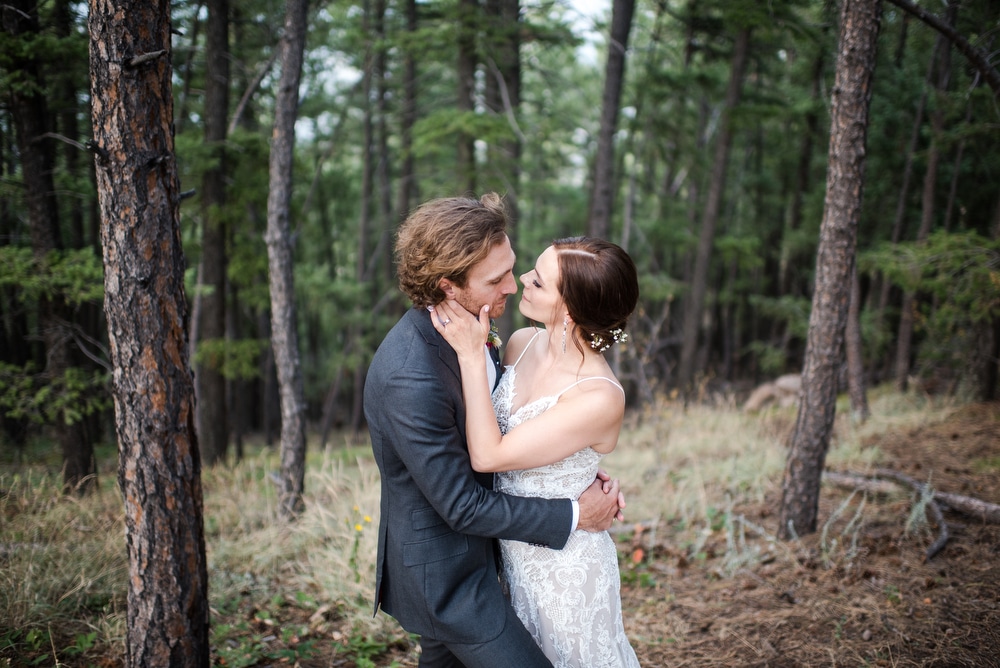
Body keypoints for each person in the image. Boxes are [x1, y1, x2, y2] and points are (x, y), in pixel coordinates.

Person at [364, 193, 625, 668]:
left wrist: (576, 467)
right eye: (496, 279)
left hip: (507, 554)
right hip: (451, 576)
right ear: (448, 285)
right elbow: (463, 503)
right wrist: (574, 512)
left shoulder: (480, 328)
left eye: (517, 269)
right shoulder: (410, 374)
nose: (513, 284)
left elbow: (526, 422)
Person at [429, 236, 641, 668]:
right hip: (507, 552)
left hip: (564, 571)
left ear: (571, 310)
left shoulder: (599, 395)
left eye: (539, 282)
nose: (522, 279)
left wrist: (471, 356)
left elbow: (489, 455)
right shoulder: (520, 342)